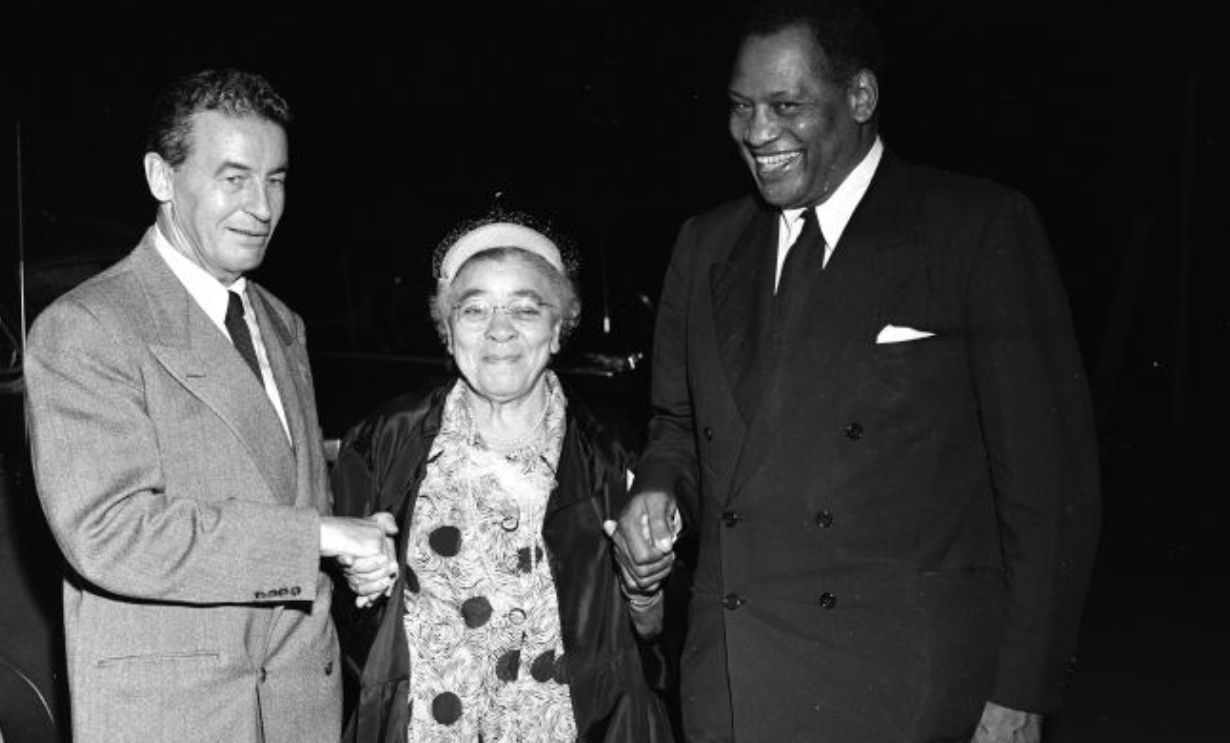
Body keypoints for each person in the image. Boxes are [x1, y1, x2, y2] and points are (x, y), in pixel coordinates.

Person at [611, 1, 1102, 741]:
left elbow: (1048, 485)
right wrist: (655, 486)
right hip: (734, 677)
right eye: (741, 106)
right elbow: (677, 424)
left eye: (786, 106)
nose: (756, 132)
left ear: (861, 97)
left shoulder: (975, 228)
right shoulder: (705, 244)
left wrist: (1020, 690)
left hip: (907, 686)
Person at [23, 69, 398, 742]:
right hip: (176, 716)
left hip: (297, 713)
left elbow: (284, 494)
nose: (262, 206)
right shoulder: (87, 327)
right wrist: (319, 536)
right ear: (161, 178)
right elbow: (110, 532)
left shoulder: (282, 324)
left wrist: (353, 547)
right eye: (234, 177)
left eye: (275, 179)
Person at [330, 215, 675, 742]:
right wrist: (361, 586)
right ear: (447, 332)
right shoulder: (385, 442)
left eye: (525, 308)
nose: (499, 329)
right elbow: (338, 626)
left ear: (557, 329)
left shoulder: (614, 453)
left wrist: (644, 591)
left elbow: (660, 637)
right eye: (474, 309)